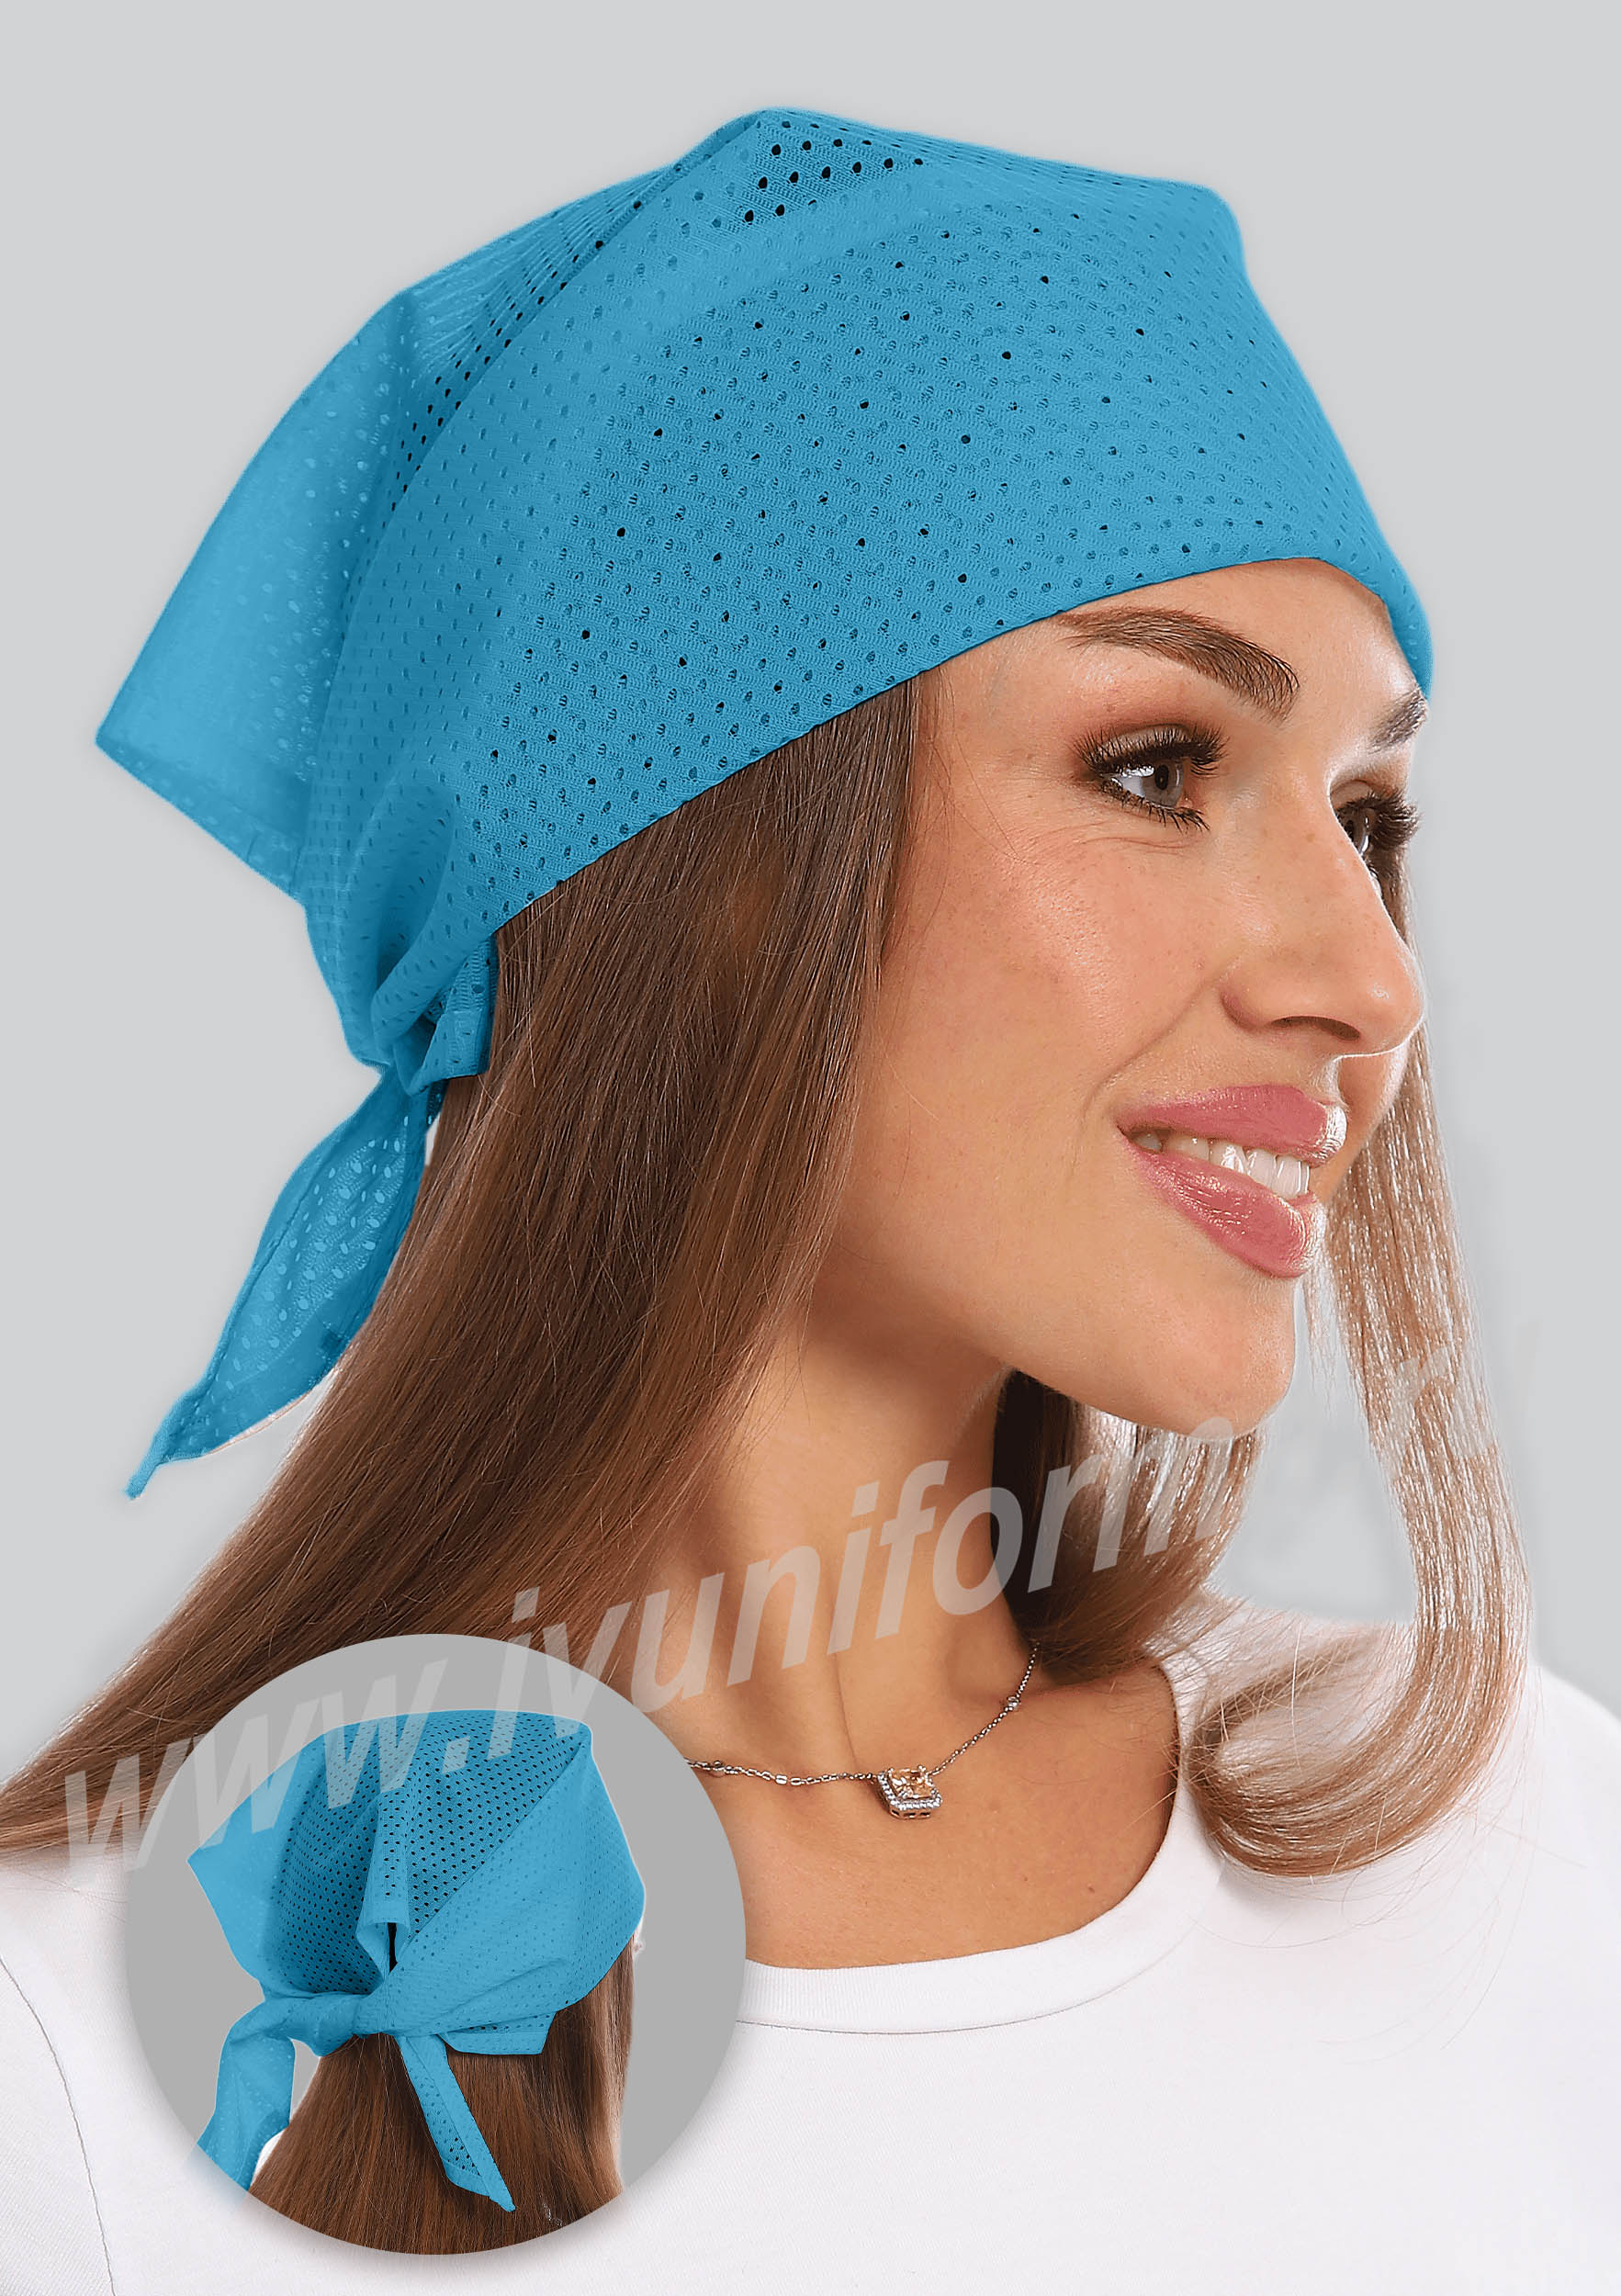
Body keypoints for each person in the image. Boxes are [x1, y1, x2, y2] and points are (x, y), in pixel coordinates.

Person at [1, 104, 1617, 2290]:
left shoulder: (1518, 1851)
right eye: (1158, 768)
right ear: (714, 876)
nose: (1371, 978)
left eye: (1366, 816)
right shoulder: (70, 2058)